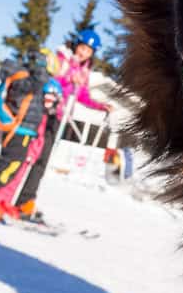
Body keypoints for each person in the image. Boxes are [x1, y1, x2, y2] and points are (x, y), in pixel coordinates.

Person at [10, 29, 114, 220]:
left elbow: (82, 95)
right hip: (45, 113)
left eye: (89, 51)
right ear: (76, 45)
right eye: (83, 48)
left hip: (59, 118)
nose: (84, 53)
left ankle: (25, 201)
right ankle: (8, 196)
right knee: (29, 155)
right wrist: (68, 79)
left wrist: (100, 106)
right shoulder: (62, 59)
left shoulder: (84, 70)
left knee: (42, 161)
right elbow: (51, 80)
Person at [0, 51, 62, 222]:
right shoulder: (24, 78)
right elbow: (34, 86)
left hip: (24, 131)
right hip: (20, 130)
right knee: (7, 169)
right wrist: (40, 69)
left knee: (8, 168)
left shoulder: (26, 78)